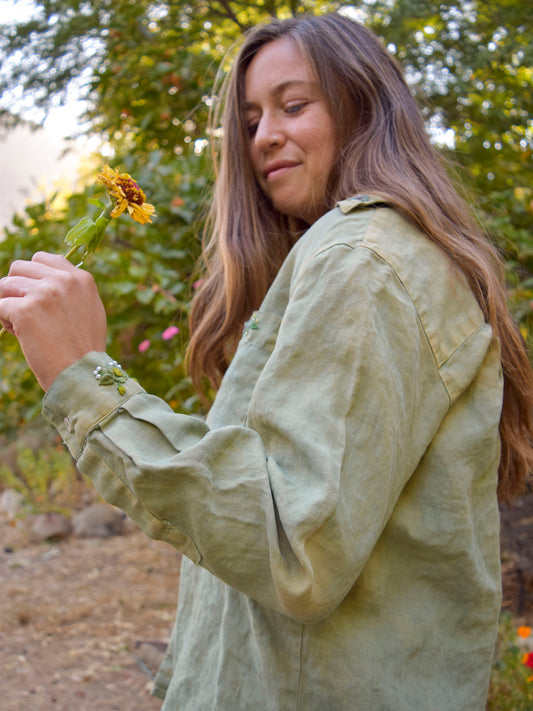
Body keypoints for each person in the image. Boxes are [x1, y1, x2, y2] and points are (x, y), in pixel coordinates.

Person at [0, 13, 532, 710]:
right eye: (249, 118)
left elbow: (290, 543)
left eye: (294, 104)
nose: (263, 136)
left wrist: (86, 374)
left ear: (364, 106)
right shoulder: (367, 254)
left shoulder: (361, 259)